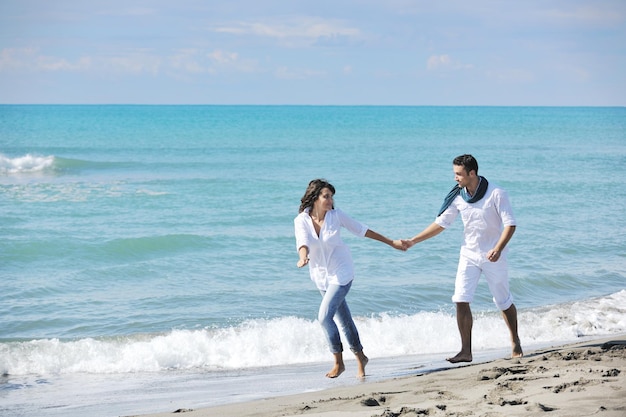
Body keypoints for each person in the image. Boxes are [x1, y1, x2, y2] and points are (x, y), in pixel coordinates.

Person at [404, 154, 523, 363]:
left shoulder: (497, 193)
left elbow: (510, 224)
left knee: (503, 301)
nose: (455, 178)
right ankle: (466, 351)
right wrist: (414, 240)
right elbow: (442, 223)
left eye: (458, 174)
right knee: (460, 299)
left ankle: (515, 341)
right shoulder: (458, 196)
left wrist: (498, 248)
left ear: (472, 173)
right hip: (468, 254)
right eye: (454, 174)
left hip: (494, 255)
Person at [294, 179, 406, 378]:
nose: (330, 200)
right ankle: (361, 357)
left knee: (324, 317)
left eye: (331, 197)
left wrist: (391, 242)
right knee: (344, 320)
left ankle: (338, 362)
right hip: (321, 277)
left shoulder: (336, 216)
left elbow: (361, 230)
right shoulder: (301, 220)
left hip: (342, 272)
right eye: (326, 196)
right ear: (315, 198)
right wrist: (303, 257)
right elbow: (303, 242)